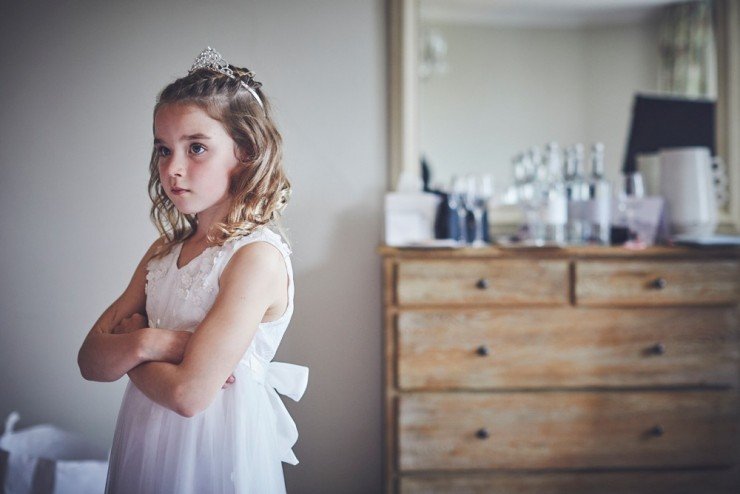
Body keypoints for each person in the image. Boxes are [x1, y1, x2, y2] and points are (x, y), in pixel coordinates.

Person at [77, 47, 308, 493]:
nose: (172, 169)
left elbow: (188, 396)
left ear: (245, 152)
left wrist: (130, 350)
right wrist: (154, 341)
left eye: (196, 147)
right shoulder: (163, 251)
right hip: (145, 437)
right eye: (163, 150)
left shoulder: (255, 258)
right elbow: (89, 360)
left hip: (214, 449)